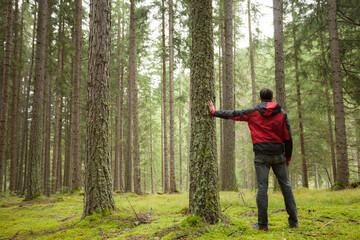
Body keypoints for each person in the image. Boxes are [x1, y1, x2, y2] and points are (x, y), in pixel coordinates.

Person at [208, 87, 298, 231]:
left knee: (262, 188)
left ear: (260, 99)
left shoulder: (253, 112)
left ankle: (262, 225)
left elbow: (234, 114)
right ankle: (293, 222)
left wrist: (214, 112)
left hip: (261, 155)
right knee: (286, 187)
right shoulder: (281, 113)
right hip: (278, 154)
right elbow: (288, 137)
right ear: (273, 98)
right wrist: (288, 156)